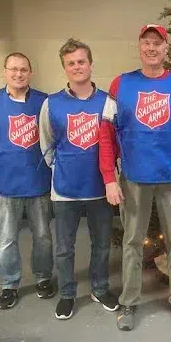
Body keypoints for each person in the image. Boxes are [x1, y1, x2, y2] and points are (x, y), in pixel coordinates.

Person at [99, 24, 171, 331]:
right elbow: (105, 133)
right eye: (147, 43)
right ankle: (128, 302)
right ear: (139, 47)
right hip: (132, 178)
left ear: (166, 49)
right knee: (131, 241)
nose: (152, 48)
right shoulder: (120, 85)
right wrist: (109, 178)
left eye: (158, 43)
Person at [39, 38, 119, 320]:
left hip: (100, 187)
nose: (77, 67)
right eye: (71, 63)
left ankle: (99, 288)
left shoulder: (108, 102)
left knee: (101, 243)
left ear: (91, 64)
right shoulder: (52, 103)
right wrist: (64, 166)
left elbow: (115, 142)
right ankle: (67, 294)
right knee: (64, 247)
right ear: (65, 68)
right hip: (65, 190)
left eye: (81, 61)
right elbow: (46, 144)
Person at [0, 52, 54, 309]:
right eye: (13, 69)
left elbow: (56, 136)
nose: (18, 74)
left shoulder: (44, 102)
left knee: (43, 236)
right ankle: (9, 284)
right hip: (5, 184)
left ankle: (43, 277)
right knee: (7, 238)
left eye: (23, 69)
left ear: (30, 73)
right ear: (5, 72)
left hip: (39, 182)